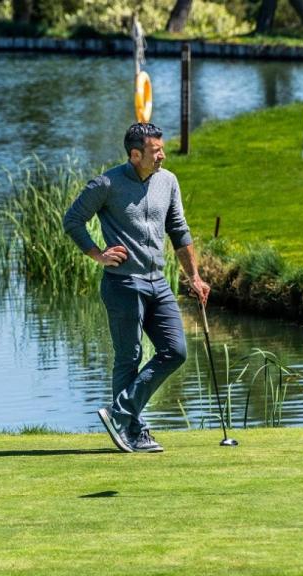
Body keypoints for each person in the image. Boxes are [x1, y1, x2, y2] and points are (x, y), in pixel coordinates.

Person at [63, 123, 210, 453]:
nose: (162, 155)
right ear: (135, 154)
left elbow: (179, 231)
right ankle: (134, 431)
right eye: (156, 150)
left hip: (158, 283)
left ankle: (121, 414)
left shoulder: (168, 181)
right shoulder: (107, 184)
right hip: (122, 284)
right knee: (129, 356)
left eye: (161, 149)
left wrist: (194, 277)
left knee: (176, 351)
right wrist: (97, 255)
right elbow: (72, 220)